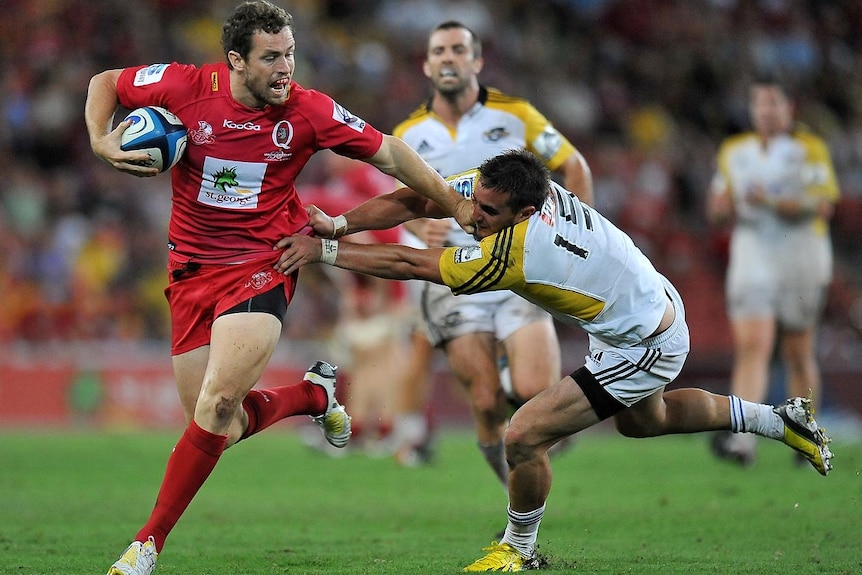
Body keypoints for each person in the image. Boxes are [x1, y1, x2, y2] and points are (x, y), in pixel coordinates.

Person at [274, 149, 834, 572]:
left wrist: (323, 250)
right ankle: (777, 420)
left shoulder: (520, 254)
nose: (473, 216)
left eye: (488, 213)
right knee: (647, 423)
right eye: (476, 201)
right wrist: (342, 223)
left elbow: (411, 263)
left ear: (525, 212)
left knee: (522, 435)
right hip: (644, 304)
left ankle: (519, 548)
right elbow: (421, 198)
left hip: (643, 342)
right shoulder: (517, 189)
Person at [84, 2, 472, 574]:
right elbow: (106, 83)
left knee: (217, 406)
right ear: (236, 60)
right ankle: (312, 397)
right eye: (271, 58)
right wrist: (99, 141)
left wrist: (456, 202)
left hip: (264, 263)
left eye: (289, 53)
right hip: (190, 270)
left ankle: (146, 545)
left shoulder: (309, 110)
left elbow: (391, 152)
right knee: (214, 420)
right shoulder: (185, 87)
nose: (285, 68)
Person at [390, 20, 594, 480]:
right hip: (454, 274)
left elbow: (573, 164)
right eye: (439, 50)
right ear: (426, 64)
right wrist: (424, 225)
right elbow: (401, 202)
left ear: (476, 60)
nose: (448, 57)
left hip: (517, 269)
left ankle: (512, 383)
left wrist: (579, 233)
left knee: (533, 390)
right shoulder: (409, 132)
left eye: (458, 49)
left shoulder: (517, 115)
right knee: (483, 403)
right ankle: (515, 505)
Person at [706, 78, 840, 467]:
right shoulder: (734, 151)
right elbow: (718, 204)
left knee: (797, 349)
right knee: (752, 347)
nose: (766, 111)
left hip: (800, 252)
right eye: (759, 103)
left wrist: (771, 200)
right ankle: (743, 440)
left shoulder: (809, 149)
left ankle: (806, 432)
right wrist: (720, 207)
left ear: (789, 108)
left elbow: (823, 204)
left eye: (773, 103)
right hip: (752, 253)